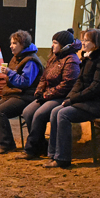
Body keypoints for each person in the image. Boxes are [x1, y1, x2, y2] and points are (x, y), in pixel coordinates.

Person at [45, 29, 100, 168]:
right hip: (90, 101)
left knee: (63, 114)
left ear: (96, 43)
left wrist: (74, 100)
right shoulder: (88, 58)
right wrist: (69, 98)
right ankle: (53, 154)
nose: (83, 43)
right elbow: (79, 82)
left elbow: (96, 87)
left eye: (87, 40)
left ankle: (63, 158)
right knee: (56, 110)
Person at [17, 29, 82, 159]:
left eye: (55, 43)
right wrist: (39, 91)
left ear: (64, 45)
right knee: (28, 112)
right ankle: (40, 145)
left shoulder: (71, 60)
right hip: (49, 94)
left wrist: (46, 95)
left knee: (40, 114)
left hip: (62, 97)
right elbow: (44, 77)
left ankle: (31, 148)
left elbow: (67, 85)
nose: (52, 45)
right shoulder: (53, 58)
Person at [0, 30, 44, 154]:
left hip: (26, 96)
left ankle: (7, 144)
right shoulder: (17, 57)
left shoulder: (31, 61)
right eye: (11, 43)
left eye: (15, 43)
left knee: (0, 112)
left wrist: (9, 73)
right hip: (13, 93)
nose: (11, 46)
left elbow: (25, 82)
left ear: (23, 44)